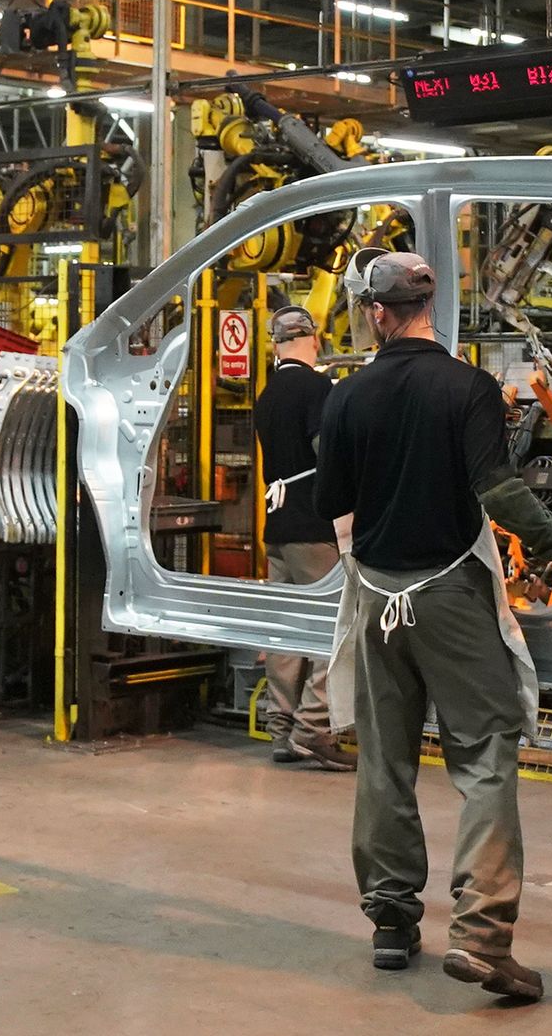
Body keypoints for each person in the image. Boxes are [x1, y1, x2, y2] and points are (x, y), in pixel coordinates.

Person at [315, 251, 552, 1002]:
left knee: (384, 758)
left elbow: (339, 512)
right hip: (450, 594)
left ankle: (391, 924)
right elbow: (500, 492)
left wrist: (369, 573)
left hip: (376, 598)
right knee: (485, 756)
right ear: (428, 308)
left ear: (377, 313)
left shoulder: (347, 397)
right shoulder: (470, 388)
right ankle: (482, 939)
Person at [253, 305, 354, 771]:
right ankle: (313, 729)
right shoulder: (316, 387)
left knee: (284, 630)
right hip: (314, 527)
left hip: (276, 526)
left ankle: (280, 728)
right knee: (330, 627)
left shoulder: (267, 394)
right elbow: (324, 449)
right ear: (312, 339)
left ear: (277, 344)